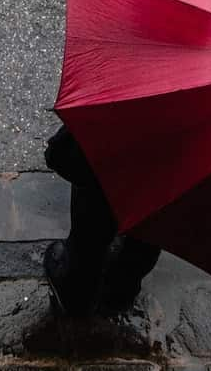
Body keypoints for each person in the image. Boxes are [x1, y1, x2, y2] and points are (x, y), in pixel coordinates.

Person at [43, 124, 160, 316]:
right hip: (165, 169)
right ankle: (121, 292)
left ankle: (75, 295)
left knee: (90, 235)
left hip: (107, 165)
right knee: (150, 225)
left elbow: (59, 157)